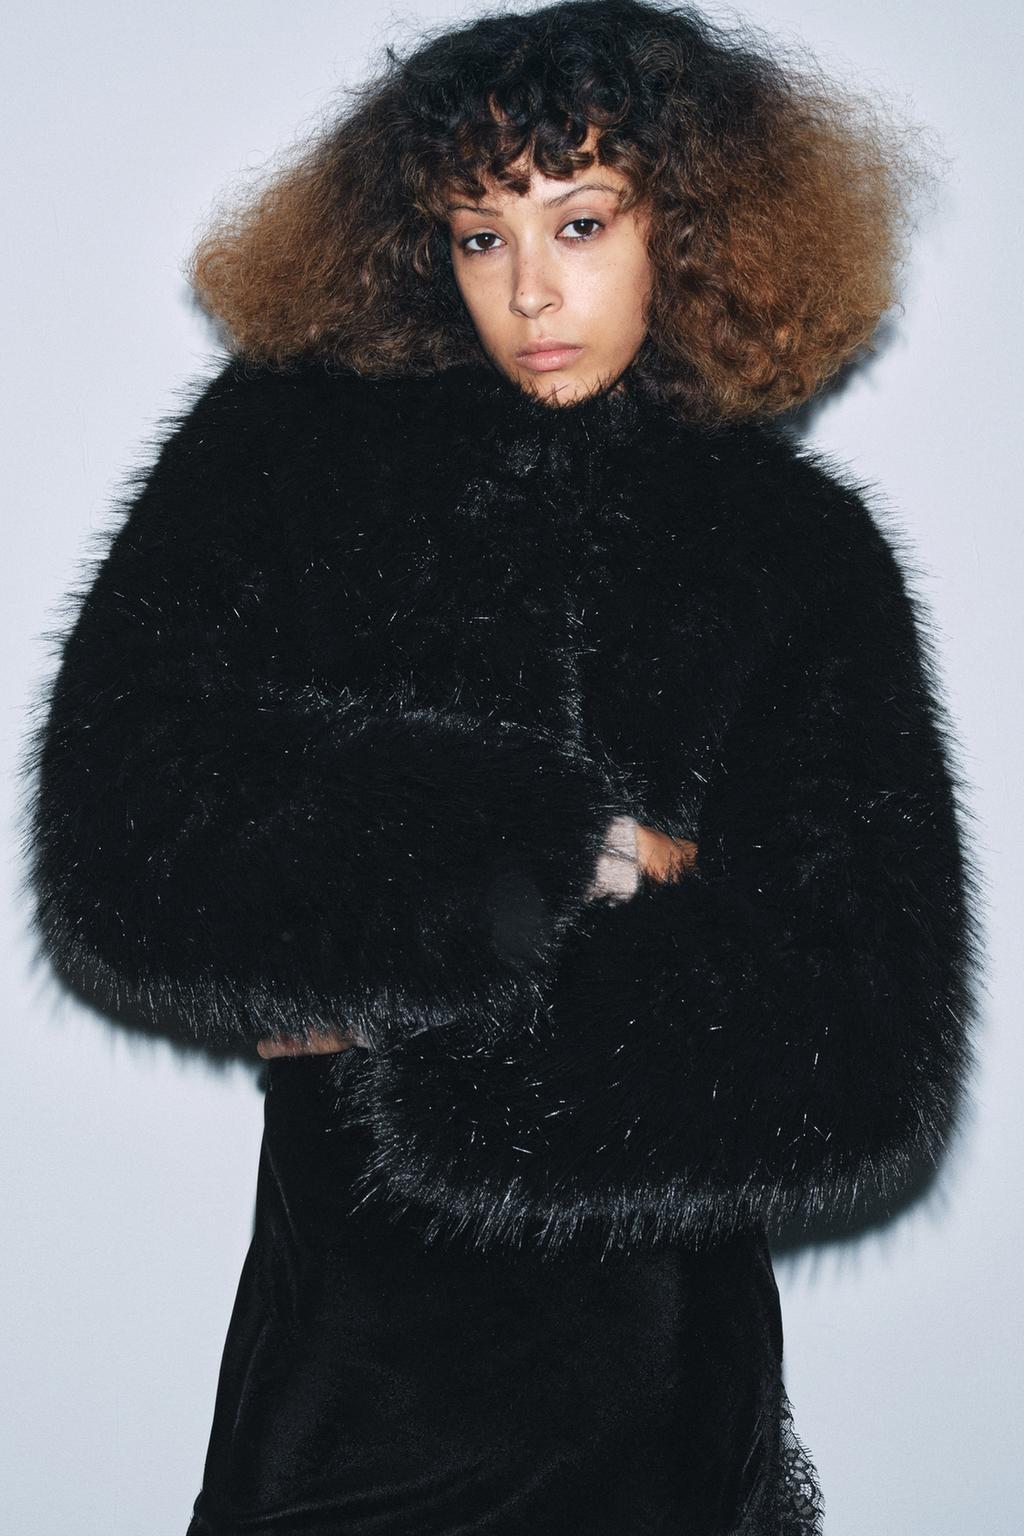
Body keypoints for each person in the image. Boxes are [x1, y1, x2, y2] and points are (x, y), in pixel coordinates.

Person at [23, 1, 982, 1532]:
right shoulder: (283, 464)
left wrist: (428, 991)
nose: (531, 287)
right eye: (483, 235)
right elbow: (123, 838)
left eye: (580, 222)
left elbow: (868, 1039)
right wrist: (563, 861)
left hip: (666, 1372)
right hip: (360, 1355)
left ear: (690, 226)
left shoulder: (799, 552)